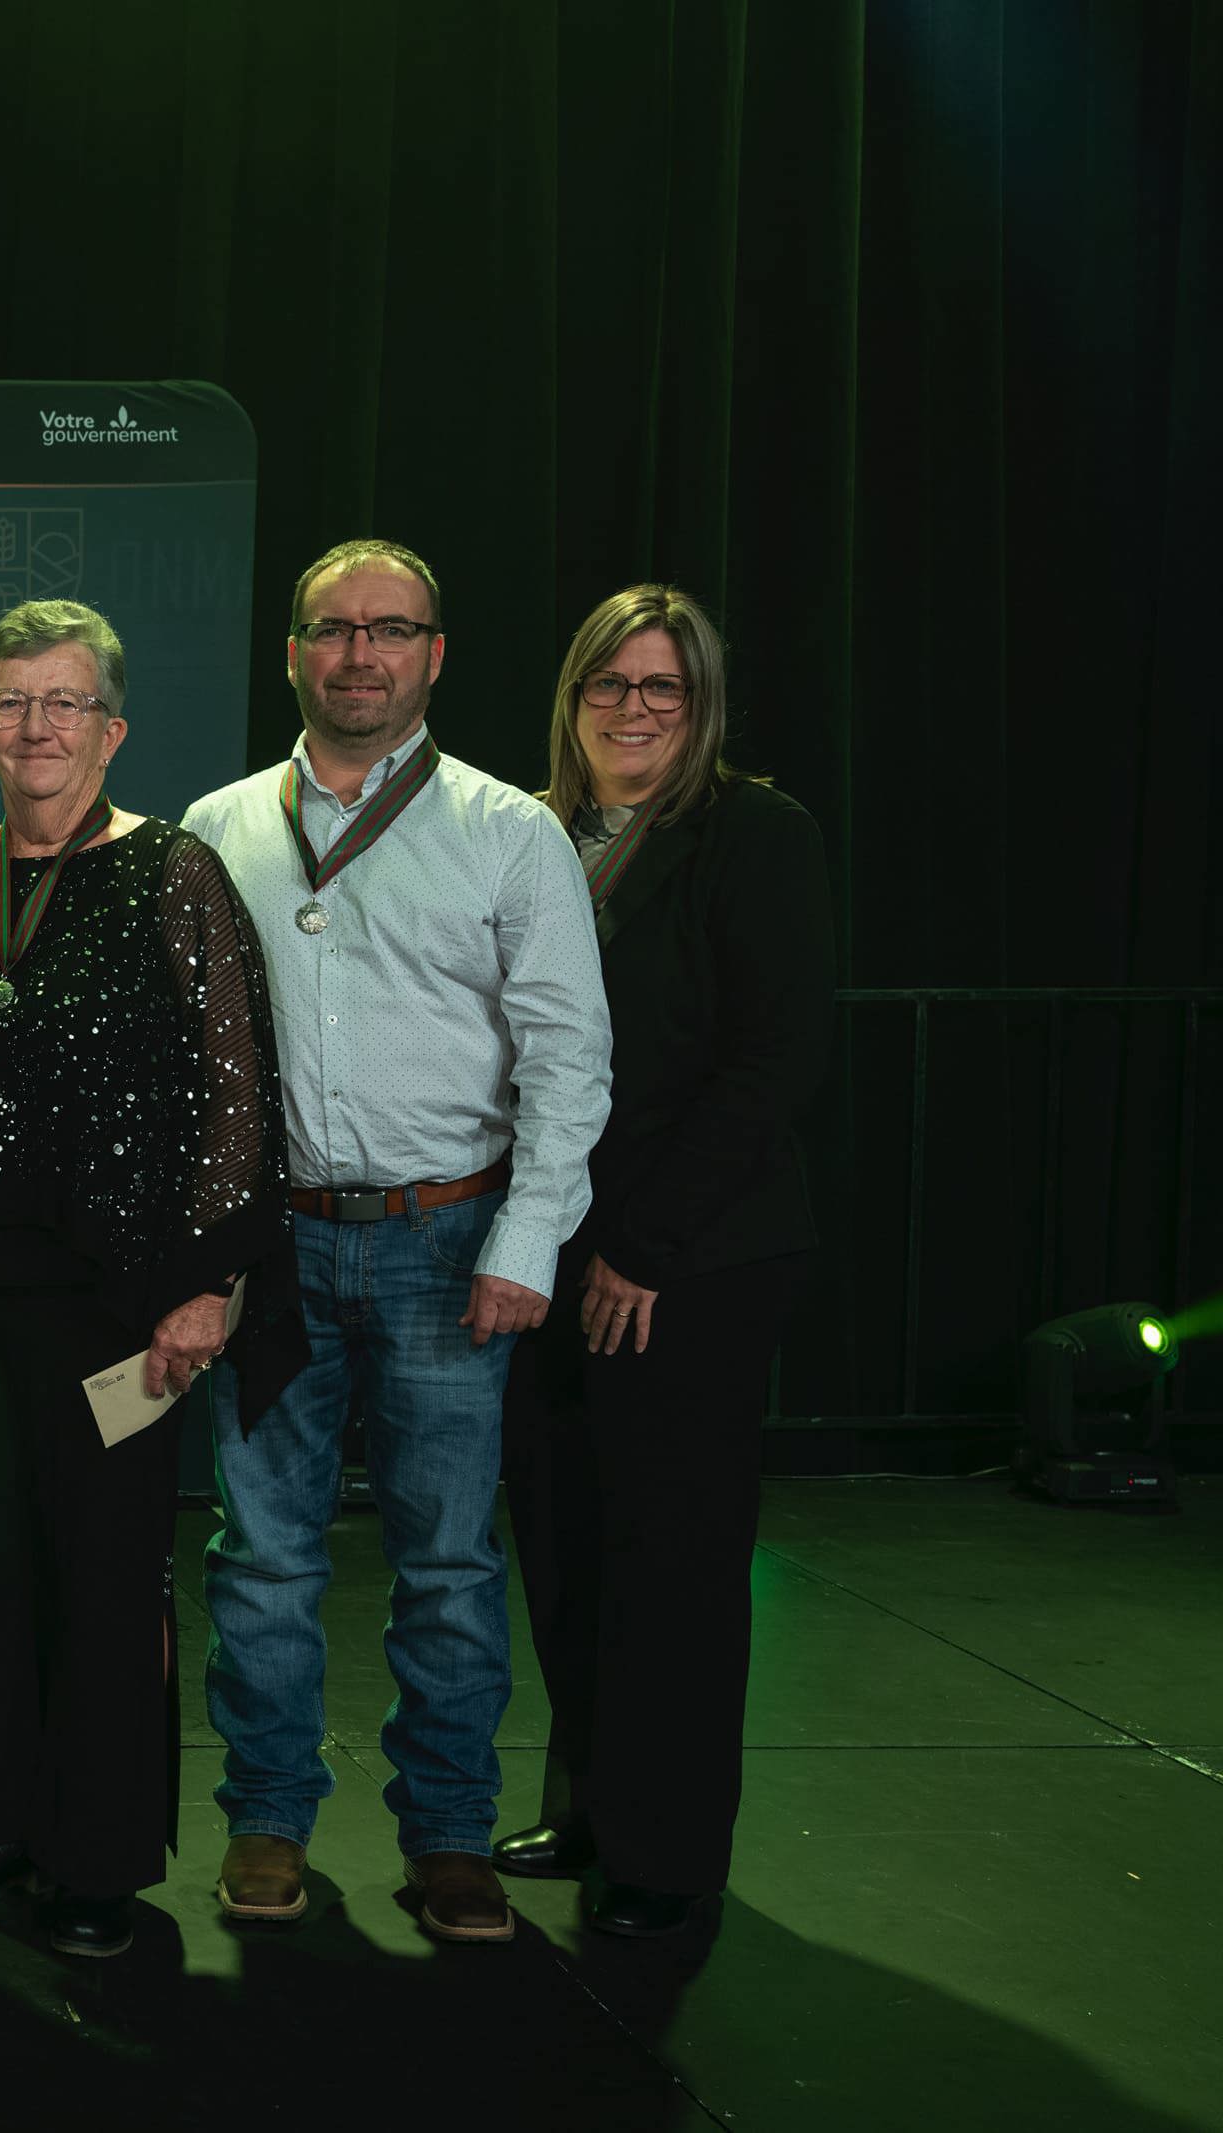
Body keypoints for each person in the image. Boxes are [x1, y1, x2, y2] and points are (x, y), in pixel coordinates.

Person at [0, 599, 293, 1958]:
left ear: (113, 727)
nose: (38, 726)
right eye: (14, 702)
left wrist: (209, 1283)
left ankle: (96, 1864)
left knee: (101, 1579)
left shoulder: (175, 874)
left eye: (66, 702)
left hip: (114, 1309)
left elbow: (235, 1092)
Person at [180, 537, 612, 1944]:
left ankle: (447, 1834)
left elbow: (568, 1058)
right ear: (292, 651)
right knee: (262, 1559)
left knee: (446, 1563)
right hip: (272, 1248)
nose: (359, 654)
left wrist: (529, 1241)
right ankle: (267, 1820)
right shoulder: (219, 825)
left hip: (451, 1241)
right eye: (332, 629)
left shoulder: (509, 830)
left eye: (391, 629)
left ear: (435, 653)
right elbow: (178, 1063)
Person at [496, 584, 832, 1936]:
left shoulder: (756, 833)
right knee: (570, 1546)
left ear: (701, 710)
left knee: (673, 1565)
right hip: (547, 1254)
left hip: (685, 1266)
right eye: (609, 685)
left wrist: (642, 1246)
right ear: (572, 699)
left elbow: (774, 1061)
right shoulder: (537, 835)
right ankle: (592, 1806)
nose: (634, 710)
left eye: (664, 690)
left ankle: (670, 1852)